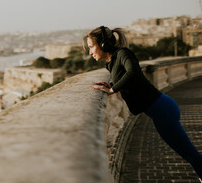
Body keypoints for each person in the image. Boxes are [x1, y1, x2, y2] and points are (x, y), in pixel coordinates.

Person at [86, 26, 202, 182]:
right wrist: (110, 84)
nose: (90, 52)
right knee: (189, 154)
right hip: (160, 111)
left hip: (163, 110)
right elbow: (124, 77)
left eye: (91, 46)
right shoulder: (112, 62)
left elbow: (133, 72)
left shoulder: (123, 53)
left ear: (103, 44)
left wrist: (113, 89)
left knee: (190, 154)